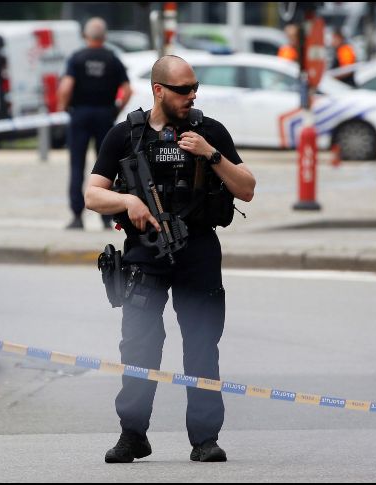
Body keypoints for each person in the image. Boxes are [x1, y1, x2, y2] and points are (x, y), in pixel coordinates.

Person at [84, 55, 256, 463]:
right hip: (146, 255)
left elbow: (247, 188)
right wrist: (127, 199)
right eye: (182, 89)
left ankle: (204, 439)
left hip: (197, 250)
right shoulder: (126, 135)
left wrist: (211, 154)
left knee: (201, 345)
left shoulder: (209, 131)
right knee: (139, 346)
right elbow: (92, 195)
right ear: (159, 90)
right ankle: (133, 435)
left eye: (194, 88)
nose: (191, 95)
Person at [57, 17, 132, 230]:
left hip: (80, 115)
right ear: (104, 37)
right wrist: (116, 108)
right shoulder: (112, 59)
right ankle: (106, 217)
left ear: (85, 36)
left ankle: (77, 216)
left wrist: (65, 107)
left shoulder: (77, 59)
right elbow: (127, 90)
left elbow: (65, 87)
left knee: (76, 166)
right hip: (105, 115)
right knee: (107, 166)